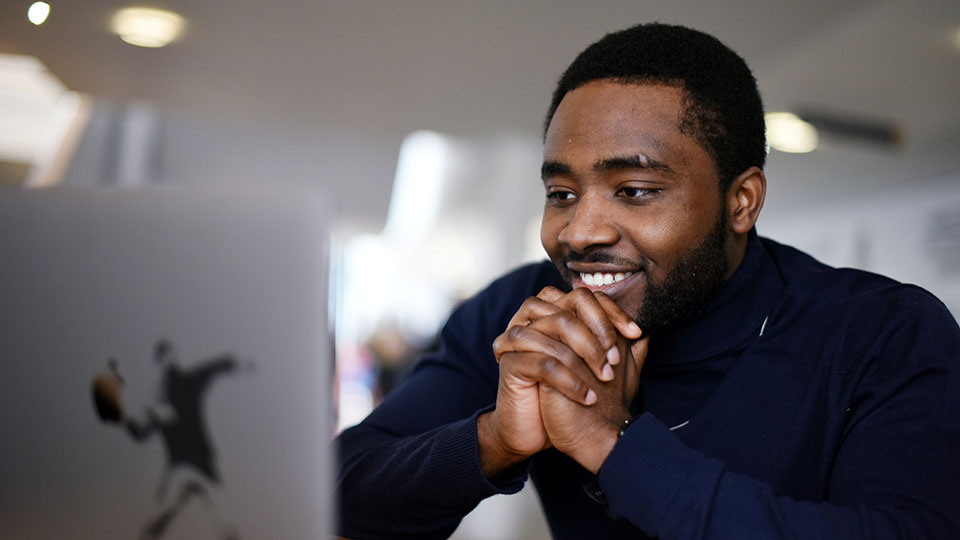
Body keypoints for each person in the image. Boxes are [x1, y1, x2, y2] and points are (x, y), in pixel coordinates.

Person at [335, 23, 960, 539]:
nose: (579, 232)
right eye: (561, 192)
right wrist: (495, 439)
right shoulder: (523, 313)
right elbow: (340, 491)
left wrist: (615, 446)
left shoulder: (884, 333)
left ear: (741, 202)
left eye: (634, 191)